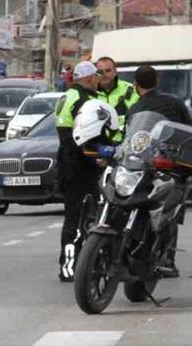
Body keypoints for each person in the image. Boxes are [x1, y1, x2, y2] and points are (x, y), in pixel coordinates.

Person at [128, 65, 192, 277]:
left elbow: (127, 139)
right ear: (157, 80)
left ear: (136, 85)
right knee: (170, 214)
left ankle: (136, 255)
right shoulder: (174, 103)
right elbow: (190, 131)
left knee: (135, 207)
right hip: (170, 166)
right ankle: (167, 261)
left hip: (141, 166)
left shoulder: (134, 108)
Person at [54, 60, 103, 281]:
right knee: (77, 218)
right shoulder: (82, 100)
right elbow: (78, 136)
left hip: (77, 164)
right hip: (79, 166)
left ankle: (85, 263)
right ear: (90, 78)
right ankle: (69, 267)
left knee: (85, 217)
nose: (98, 81)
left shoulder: (71, 97)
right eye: (96, 77)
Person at [128, 65, 192, 125]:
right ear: (157, 81)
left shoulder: (135, 109)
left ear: (135, 83)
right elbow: (190, 129)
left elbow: (128, 134)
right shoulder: (175, 102)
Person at [95, 56, 138, 131]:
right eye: (100, 72)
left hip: (123, 140)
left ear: (115, 71)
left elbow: (136, 117)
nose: (104, 74)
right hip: (97, 140)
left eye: (108, 70)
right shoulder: (91, 92)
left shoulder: (129, 90)